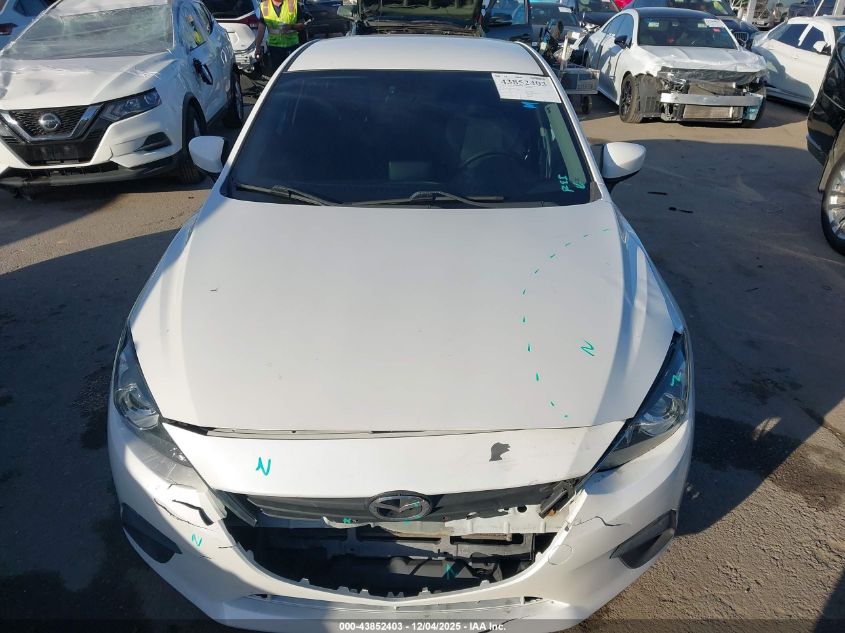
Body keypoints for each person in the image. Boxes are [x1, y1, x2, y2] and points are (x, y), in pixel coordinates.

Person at [255, 0, 310, 75]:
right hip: (274, 48)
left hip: (292, 46)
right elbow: (261, 27)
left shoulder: (293, 3)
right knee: (278, 74)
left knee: (293, 73)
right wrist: (258, 47)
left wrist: (291, 26)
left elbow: (302, 25)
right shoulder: (265, 6)